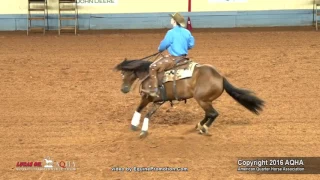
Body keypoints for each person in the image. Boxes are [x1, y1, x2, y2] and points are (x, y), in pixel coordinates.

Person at [148, 12, 195, 97]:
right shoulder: (187, 32)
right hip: (183, 58)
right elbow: (191, 45)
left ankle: (154, 90)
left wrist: (160, 49)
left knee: (152, 67)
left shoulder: (171, 32)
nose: (171, 19)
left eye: (172, 18)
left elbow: (164, 45)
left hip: (174, 58)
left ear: (174, 21)